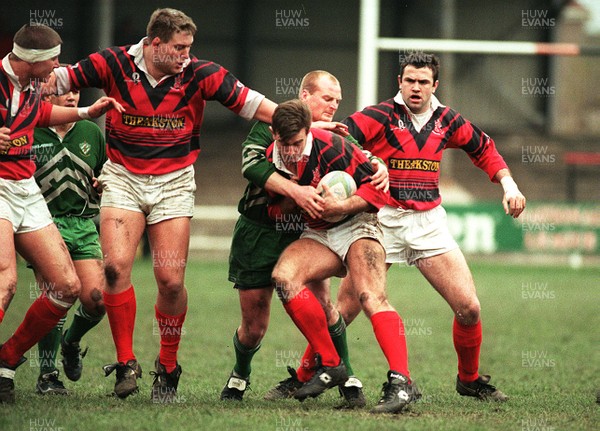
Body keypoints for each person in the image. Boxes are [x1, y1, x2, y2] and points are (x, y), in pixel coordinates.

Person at [49, 8, 278, 402]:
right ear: (155, 44)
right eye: (179, 48)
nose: (186, 54)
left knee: (170, 281)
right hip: (121, 177)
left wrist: (305, 125)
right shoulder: (112, 62)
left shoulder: (201, 73)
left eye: (190, 47)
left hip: (174, 182)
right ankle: (125, 363)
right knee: (115, 267)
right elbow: (56, 78)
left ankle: (168, 368)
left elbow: (254, 104)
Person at [341, 52, 527, 402]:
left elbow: (483, 148)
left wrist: (509, 185)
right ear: (399, 82)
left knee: (469, 308)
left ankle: (468, 379)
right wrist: (364, 160)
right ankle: (306, 375)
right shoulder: (379, 116)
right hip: (381, 221)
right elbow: (342, 138)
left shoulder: (446, 120)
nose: (416, 87)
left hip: (428, 223)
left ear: (434, 85)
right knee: (346, 309)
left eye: (423, 82)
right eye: (409, 80)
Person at [220, 71, 386, 408]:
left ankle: (345, 375)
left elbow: (359, 157)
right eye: (327, 99)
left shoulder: (330, 136)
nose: (333, 107)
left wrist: (377, 163)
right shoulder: (270, 124)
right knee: (254, 326)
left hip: (304, 232)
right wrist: (296, 190)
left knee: (325, 305)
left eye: (337, 101)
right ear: (305, 97)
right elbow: (252, 166)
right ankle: (240, 373)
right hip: (258, 233)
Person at [268, 99, 421, 414]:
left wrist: (343, 205)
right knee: (284, 278)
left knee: (370, 296)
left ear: (309, 133)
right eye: (285, 144)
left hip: (358, 227)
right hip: (318, 234)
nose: (292, 151)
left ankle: (402, 382)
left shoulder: (335, 146)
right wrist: (296, 200)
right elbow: (272, 209)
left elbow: (379, 193)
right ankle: (333, 364)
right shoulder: (272, 160)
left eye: (298, 143)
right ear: (274, 136)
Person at [0, 23, 123, 404]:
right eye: (53, 58)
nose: (59, 65)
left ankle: (6, 360)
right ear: (33, 60)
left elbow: (38, 114)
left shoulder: (34, 86)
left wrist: (88, 110)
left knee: (67, 287)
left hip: (25, 188)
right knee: (6, 281)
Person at [31, 89, 107, 395]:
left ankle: (71, 342)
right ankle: (47, 374)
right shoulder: (31, 130)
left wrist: (103, 185)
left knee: (96, 299)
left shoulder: (91, 131)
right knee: (56, 299)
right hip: (44, 224)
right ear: (46, 95)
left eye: (75, 91)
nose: (72, 97)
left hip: (83, 223)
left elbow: (106, 172)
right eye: (63, 92)